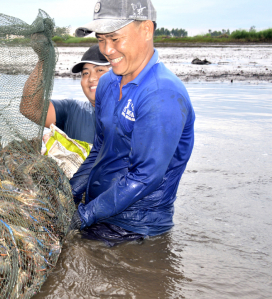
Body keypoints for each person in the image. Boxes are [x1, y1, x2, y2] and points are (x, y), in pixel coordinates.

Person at [68, 0, 196, 247]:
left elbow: (144, 177)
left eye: (115, 39)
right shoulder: (108, 83)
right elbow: (99, 150)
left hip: (134, 230)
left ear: (146, 30)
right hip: (97, 214)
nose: (106, 49)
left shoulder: (161, 94)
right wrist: (68, 194)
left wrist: (82, 216)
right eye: (101, 39)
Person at [20, 43, 110, 144]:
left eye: (100, 70)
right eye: (85, 73)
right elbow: (29, 108)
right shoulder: (72, 110)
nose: (91, 78)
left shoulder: (130, 113)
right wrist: (44, 59)